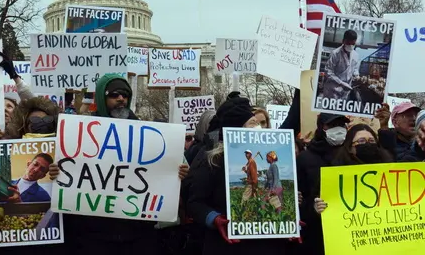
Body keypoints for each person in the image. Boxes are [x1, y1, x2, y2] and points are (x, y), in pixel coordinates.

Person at [48, 74, 189, 255]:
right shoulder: (79, 133)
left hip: (138, 235)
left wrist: (179, 172)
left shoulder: (149, 134)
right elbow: (70, 169)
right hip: (93, 236)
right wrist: (56, 172)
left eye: (125, 95)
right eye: (114, 95)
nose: (121, 99)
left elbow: (163, 172)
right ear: (101, 97)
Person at [187, 95, 288, 254]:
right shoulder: (212, 158)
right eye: (252, 123)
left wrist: (289, 222)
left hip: (265, 245)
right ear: (236, 128)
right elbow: (194, 201)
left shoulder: (266, 155)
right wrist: (214, 218)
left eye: (258, 122)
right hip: (227, 245)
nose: (257, 127)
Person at [295, 113, 349, 255]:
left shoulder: (351, 154)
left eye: (341, 125)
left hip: (348, 232)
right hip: (316, 235)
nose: (338, 129)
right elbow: (298, 200)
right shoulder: (304, 159)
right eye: (331, 125)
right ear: (321, 128)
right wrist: (312, 208)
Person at [313, 124, 393, 213]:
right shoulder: (334, 174)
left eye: (371, 141)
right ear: (350, 148)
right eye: (361, 141)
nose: (367, 144)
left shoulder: (389, 170)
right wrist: (318, 208)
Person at [322, 30, 360, 101]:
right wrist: (341, 83)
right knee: (329, 111)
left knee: (340, 109)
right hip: (332, 90)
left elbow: (355, 69)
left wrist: (356, 75)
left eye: (353, 44)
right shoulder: (335, 54)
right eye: (348, 43)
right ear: (343, 41)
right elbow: (328, 72)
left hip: (345, 91)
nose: (351, 46)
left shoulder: (356, 55)